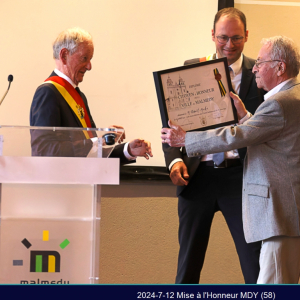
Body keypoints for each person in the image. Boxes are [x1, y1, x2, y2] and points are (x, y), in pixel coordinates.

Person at [162, 35, 300, 284]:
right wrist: (245, 115)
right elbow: (265, 135)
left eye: (261, 62)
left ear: (280, 67)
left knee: (271, 287)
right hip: (208, 184)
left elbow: (237, 135)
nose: (255, 67)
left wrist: (187, 140)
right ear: (213, 35)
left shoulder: (279, 103)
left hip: (277, 214)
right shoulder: (291, 97)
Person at [162, 7, 264, 284]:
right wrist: (174, 161)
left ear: (246, 36)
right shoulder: (191, 69)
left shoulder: (259, 73)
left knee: (254, 265)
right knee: (188, 268)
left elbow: (265, 129)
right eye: (222, 38)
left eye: (236, 38)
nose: (229, 45)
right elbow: (170, 128)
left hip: (241, 178)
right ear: (212, 35)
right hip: (198, 177)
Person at [30, 27, 152, 161]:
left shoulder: (79, 96)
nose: (89, 66)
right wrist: (99, 141)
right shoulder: (48, 93)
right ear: (64, 56)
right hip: (63, 181)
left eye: (90, 59)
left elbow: (91, 154)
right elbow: (43, 150)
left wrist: (128, 150)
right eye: (84, 58)